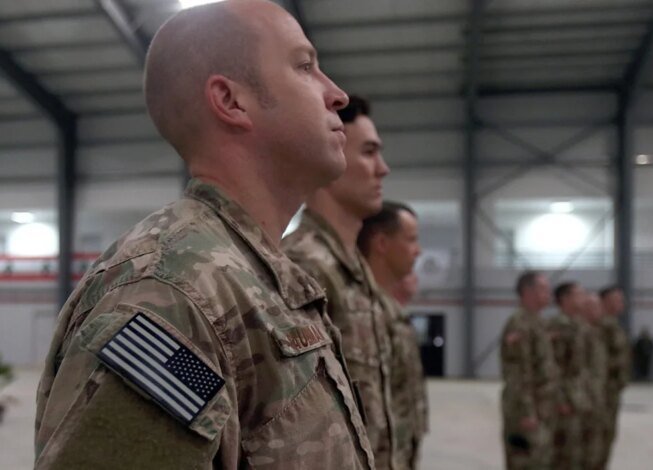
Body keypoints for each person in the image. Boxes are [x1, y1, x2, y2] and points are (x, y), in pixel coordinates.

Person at [33, 2, 375, 469]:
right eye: (304, 66)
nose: (337, 94)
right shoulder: (171, 295)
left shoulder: (254, 278)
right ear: (231, 101)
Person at [283, 95, 396, 468]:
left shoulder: (355, 268)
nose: (383, 169)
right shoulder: (302, 266)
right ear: (329, 156)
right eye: (368, 153)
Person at [358, 202, 427, 469]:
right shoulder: (362, 311)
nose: (418, 251)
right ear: (382, 243)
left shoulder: (389, 310)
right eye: (411, 240)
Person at [500, 271, 560, 469]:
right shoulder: (520, 324)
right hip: (525, 412)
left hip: (541, 409)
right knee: (526, 462)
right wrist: (526, 412)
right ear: (528, 292)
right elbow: (518, 373)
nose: (549, 293)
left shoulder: (538, 322)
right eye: (543, 289)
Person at [547, 282, 590, 469]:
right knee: (561, 455)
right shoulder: (558, 325)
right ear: (565, 299)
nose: (584, 298)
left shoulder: (578, 325)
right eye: (579, 294)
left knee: (575, 454)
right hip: (564, 401)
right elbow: (552, 366)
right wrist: (560, 399)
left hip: (578, 398)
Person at [598, 285, 632, 468]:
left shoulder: (613, 325)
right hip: (601, 391)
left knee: (607, 436)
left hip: (612, 390)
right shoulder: (600, 326)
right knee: (599, 438)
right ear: (605, 301)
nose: (622, 303)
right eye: (617, 299)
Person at [580, 293, 608, 470]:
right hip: (581, 403)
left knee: (594, 451)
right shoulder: (578, 333)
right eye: (596, 307)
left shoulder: (596, 333)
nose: (600, 311)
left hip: (596, 400)